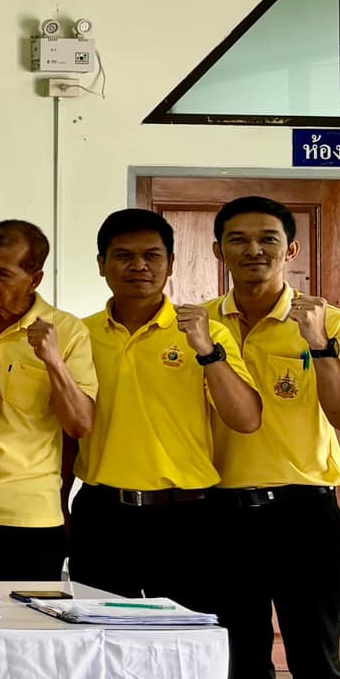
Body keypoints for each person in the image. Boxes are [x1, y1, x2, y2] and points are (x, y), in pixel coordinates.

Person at [203, 196, 340, 679]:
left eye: (268, 238)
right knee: (238, 658)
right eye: (238, 239)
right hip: (220, 511)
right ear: (218, 251)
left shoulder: (331, 321)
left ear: (291, 249)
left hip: (303, 511)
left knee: (316, 666)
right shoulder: (199, 323)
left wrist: (320, 346)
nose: (253, 251)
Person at [68, 210, 259, 609]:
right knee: (100, 635)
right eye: (124, 256)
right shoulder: (80, 334)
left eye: (152, 256)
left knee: (185, 638)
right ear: (101, 264)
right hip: (103, 514)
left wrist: (207, 351)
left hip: (187, 517)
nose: (139, 266)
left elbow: (245, 419)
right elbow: (66, 428)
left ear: (170, 264)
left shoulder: (207, 333)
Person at [0, 220, 97, 581]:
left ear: (34, 280)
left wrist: (53, 360)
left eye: (2, 273)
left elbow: (79, 424)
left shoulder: (66, 331)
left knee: (32, 615)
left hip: (30, 512)